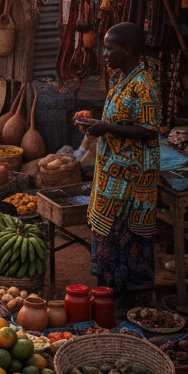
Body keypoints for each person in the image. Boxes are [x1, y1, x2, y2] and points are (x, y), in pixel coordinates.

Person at [74, 22, 161, 311]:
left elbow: (149, 130)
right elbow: (120, 124)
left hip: (133, 180)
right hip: (112, 175)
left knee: (127, 236)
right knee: (108, 233)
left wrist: (105, 127)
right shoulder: (122, 80)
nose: (105, 53)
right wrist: (93, 123)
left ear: (127, 50)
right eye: (105, 47)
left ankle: (128, 296)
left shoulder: (144, 84)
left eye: (110, 48)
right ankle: (109, 290)